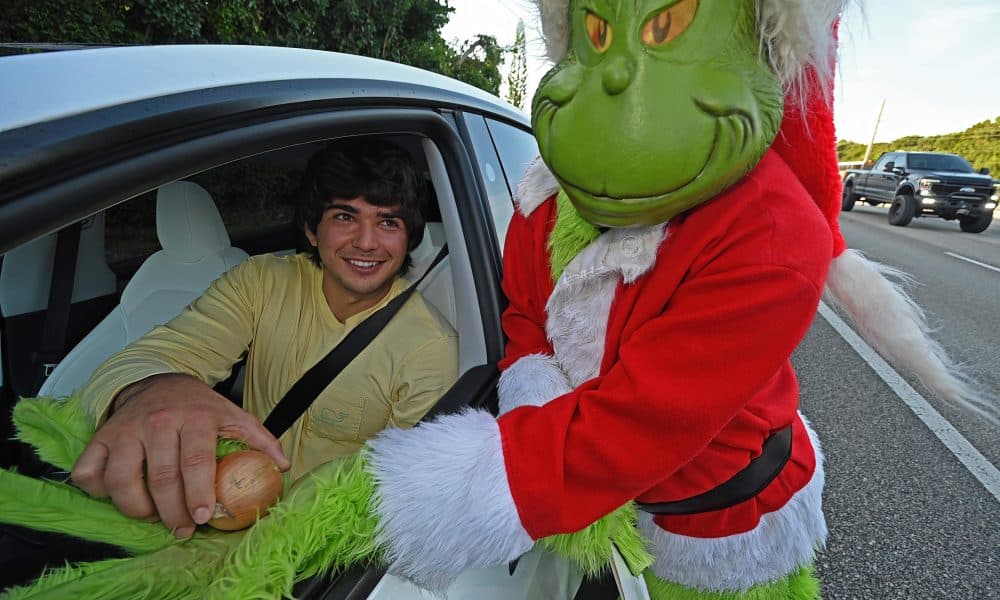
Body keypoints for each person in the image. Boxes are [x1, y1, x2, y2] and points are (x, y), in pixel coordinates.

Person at [68, 137, 458, 540]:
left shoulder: (430, 349)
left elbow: (406, 493)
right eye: (345, 217)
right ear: (311, 229)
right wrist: (150, 390)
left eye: (388, 222)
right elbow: (149, 357)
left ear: (407, 238)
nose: (366, 241)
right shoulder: (260, 282)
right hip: (216, 515)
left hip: (325, 550)